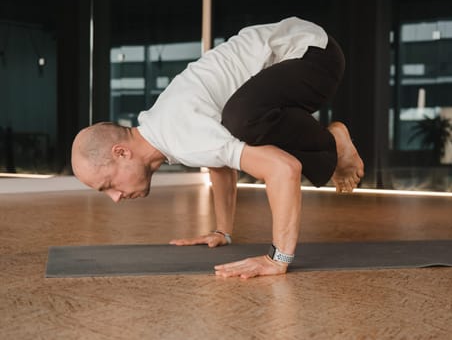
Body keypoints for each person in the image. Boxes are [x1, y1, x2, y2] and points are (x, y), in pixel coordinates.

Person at [71, 17, 364, 279]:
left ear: (121, 152)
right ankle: (331, 143)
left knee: (241, 120)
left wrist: (278, 259)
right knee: (236, 121)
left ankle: (333, 144)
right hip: (305, 52)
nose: (115, 198)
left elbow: (284, 169)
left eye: (108, 185)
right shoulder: (163, 124)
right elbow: (217, 160)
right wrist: (222, 231)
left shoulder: (177, 134)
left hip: (313, 56)